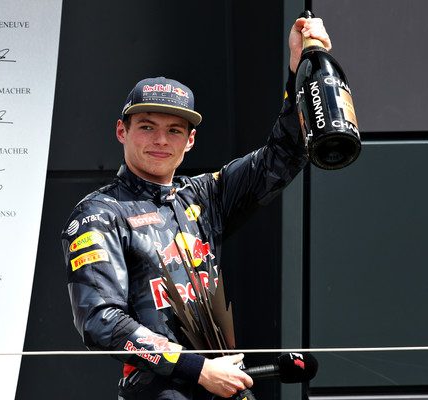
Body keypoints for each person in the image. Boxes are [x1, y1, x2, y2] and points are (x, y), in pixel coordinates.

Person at [61, 16, 331, 400]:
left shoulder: (205, 195)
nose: (160, 140)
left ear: (190, 141)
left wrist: (300, 72)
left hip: (225, 386)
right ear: (122, 131)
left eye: (174, 131)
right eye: (146, 127)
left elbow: (283, 155)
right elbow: (99, 320)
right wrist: (197, 369)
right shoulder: (98, 214)